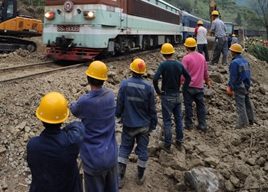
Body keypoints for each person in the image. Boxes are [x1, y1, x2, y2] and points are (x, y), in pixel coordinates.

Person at [70, 61, 119, 192]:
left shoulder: (85, 101)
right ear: (103, 80)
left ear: (88, 79)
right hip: (111, 155)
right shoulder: (109, 95)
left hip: (94, 160)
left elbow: (74, 110)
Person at [27, 92, 85, 192]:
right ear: (63, 119)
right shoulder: (71, 143)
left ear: (41, 119)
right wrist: (63, 133)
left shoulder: (32, 146)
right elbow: (79, 126)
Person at [116, 58, 158, 187]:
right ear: (143, 72)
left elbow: (120, 104)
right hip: (144, 126)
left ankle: (121, 178)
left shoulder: (124, 84)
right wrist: (153, 124)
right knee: (143, 150)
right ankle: (140, 177)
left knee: (124, 149)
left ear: (131, 70)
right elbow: (152, 109)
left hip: (129, 124)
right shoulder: (149, 87)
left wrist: (117, 115)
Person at [153, 43, 191, 152]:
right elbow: (188, 77)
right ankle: (179, 141)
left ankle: (167, 143)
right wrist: (183, 89)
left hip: (167, 96)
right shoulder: (179, 64)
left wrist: (158, 91)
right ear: (172, 52)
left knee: (167, 121)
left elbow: (155, 78)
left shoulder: (163, 65)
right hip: (177, 95)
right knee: (179, 119)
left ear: (163, 54)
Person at [181, 38, 211, 131]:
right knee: (200, 105)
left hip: (188, 86)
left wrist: (181, 81)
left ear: (187, 47)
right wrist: (207, 80)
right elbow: (205, 70)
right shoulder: (202, 57)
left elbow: (183, 72)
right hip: (199, 86)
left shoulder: (186, 58)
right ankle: (202, 124)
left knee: (188, 105)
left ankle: (188, 124)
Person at [226, 43, 255, 129]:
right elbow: (248, 74)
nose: (230, 51)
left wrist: (230, 86)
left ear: (234, 52)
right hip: (246, 85)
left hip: (239, 86)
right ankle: (250, 120)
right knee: (247, 103)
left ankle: (242, 123)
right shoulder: (245, 61)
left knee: (240, 105)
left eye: (231, 50)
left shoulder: (234, 62)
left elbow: (233, 76)